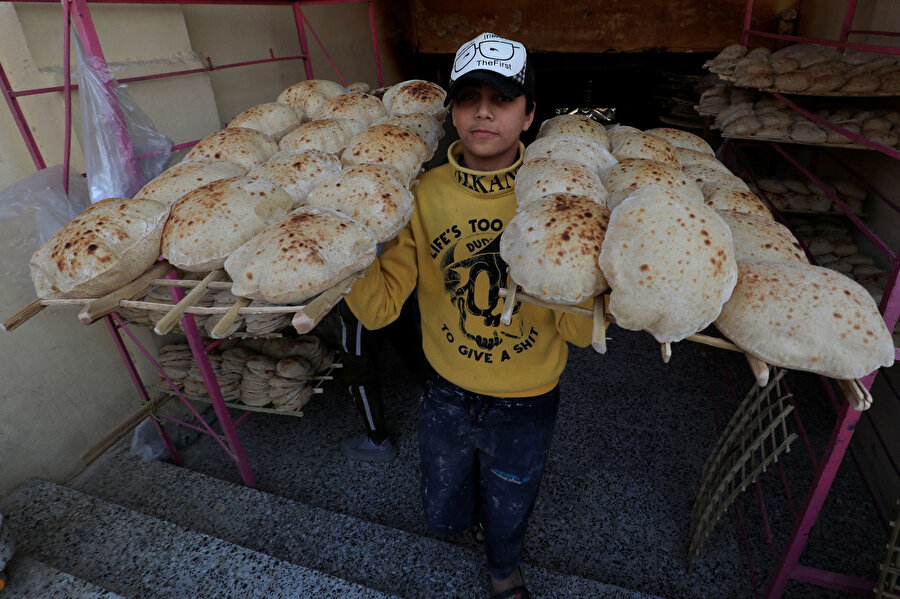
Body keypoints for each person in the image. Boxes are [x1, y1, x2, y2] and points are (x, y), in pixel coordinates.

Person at [345, 32, 592, 599]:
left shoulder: (559, 202)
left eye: (502, 99)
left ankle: (503, 571)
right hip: (446, 390)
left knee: (510, 499)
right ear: (452, 113)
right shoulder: (421, 195)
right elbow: (381, 309)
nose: (483, 111)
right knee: (444, 494)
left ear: (530, 115)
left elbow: (579, 330)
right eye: (468, 97)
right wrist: (344, 247)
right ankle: (457, 529)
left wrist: (585, 272)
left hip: (527, 398)